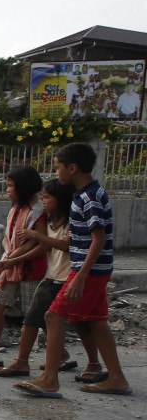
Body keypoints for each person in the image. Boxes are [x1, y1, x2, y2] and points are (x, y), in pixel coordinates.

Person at [16, 143, 132, 398]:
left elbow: (98, 240)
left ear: (72, 168)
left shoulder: (88, 197)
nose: (56, 172)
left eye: (58, 167)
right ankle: (116, 378)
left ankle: (50, 379)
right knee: (97, 322)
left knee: (53, 317)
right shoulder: (88, 194)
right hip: (95, 271)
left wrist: (80, 276)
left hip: (88, 272)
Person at [0, 179, 90, 377]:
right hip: (51, 278)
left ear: (61, 199)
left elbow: (65, 245)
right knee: (31, 319)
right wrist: (9, 260)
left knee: (82, 322)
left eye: (47, 197)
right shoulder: (48, 220)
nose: (43, 201)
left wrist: (36, 236)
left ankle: (85, 364)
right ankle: (23, 362)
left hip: (67, 278)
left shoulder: (72, 221)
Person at [0, 165, 47, 369]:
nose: (7, 190)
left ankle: (51, 355)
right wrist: (8, 257)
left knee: (34, 315)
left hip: (30, 269)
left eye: (10, 186)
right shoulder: (16, 207)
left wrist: (8, 260)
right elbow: (7, 238)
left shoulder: (38, 211)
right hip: (10, 266)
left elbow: (36, 245)